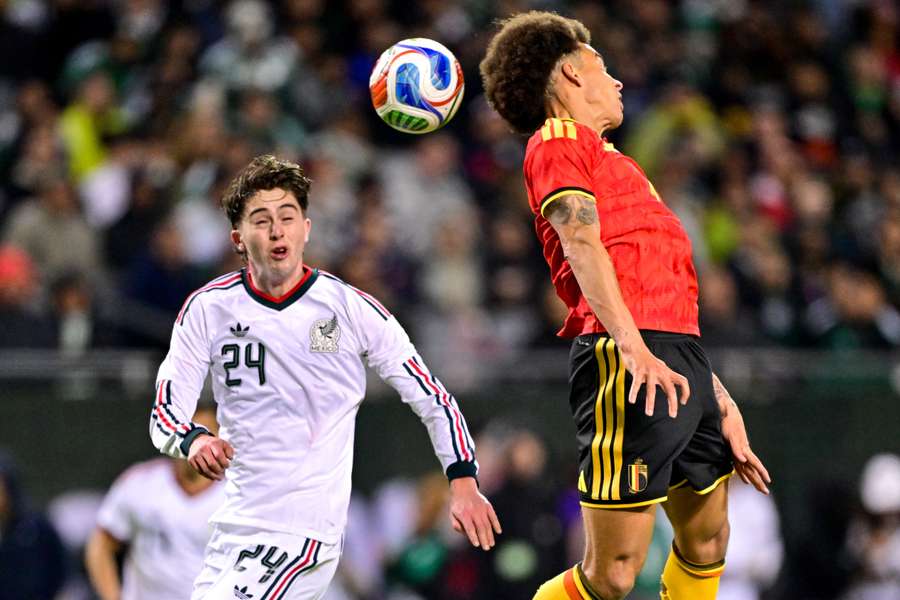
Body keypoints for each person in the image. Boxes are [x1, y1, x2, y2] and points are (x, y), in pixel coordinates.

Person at [480, 12, 771, 600]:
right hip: (626, 357)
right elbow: (580, 241)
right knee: (613, 572)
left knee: (708, 540)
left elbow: (661, 293)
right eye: (601, 66)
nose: (615, 81)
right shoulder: (558, 141)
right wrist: (632, 349)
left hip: (675, 355)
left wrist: (716, 393)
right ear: (570, 71)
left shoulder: (620, 165)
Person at [149, 154, 501, 599]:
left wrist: (463, 479)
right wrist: (194, 440)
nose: (277, 231)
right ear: (238, 238)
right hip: (232, 528)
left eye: (287, 217)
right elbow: (165, 414)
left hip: (303, 532)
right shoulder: (208, 309)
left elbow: (433, 398)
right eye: (261, 220)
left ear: (306, 229)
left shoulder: (351, 309)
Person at [85, 404, 225, 600]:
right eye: (193, 433)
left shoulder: (236, 494)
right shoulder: (141, 482)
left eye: (207, 434)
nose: (200, 444)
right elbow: (101, 544)